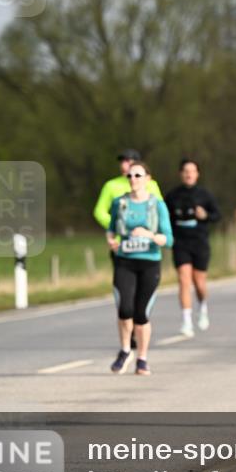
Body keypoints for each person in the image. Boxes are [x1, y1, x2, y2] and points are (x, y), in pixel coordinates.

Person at [107, 161, 173, 376]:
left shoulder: (157, 205)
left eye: (137, 175)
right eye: (130, 176)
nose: (133, 179)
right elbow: (111, 230)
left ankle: (142, 358)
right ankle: (126, 350)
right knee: (124, 309)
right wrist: (113, 242)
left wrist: (150, 235)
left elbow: (169, 239)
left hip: (149, 262)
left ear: (148, 179)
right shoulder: (120, 203)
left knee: (141, 314)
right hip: (125, 261)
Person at [94, 149, 162, 354]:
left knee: (140, 296)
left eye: (130, 162)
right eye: (123, 161)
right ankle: (127, 326)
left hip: (146, 249)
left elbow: (159, 211)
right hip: (122, 247)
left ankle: (137, 328)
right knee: (124, 296)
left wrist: (150, 234)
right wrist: (117, 229)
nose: (126, 166)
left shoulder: (151, 185)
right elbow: (99, 211)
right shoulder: (111, 186)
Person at [165, 159, 221, 337]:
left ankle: (202, 306)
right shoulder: (172, 196)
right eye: (185, 171)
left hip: (200, 241)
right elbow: (165, 218)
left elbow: (217, 215)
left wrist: (204, 215)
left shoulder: (205, 195)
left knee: (199, 283)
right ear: (180, 174)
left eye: (192, 171)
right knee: (183, 280)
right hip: (181, 242)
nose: (189, 174)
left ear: (197, 174)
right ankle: (186, 320)